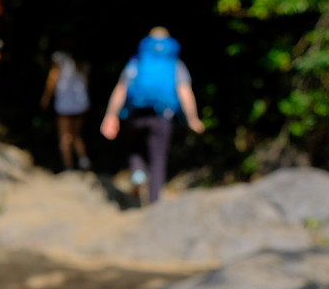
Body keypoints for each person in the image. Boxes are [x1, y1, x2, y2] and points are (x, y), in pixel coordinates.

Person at [99, 27, 205, 205]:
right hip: (161, 117)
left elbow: (121, 89)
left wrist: (110, 115)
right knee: (158, 159)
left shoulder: (137, 61)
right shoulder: (174, 63)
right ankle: (154, 203)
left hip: (135, 115)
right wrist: (193, 119)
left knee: (135, 148)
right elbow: (184, 92)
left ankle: (137, 172)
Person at [40, 48, 91, 171]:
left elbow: (53, 77)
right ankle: (84, 160)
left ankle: (68, 167)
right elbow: (87, 83)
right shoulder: (84, 62)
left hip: (64, 104)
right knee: (76, 134)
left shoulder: (59, 58)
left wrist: (46, 98)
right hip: (81, 103)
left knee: (64, 137)